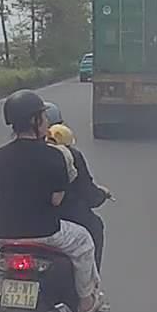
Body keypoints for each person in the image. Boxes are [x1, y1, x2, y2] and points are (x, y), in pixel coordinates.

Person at [0, 90, 104, 312]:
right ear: (35, 120)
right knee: (84, 242)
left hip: (3, 235)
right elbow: (56, 200)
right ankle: (86, 300)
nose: (47, 122)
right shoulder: (54, 156)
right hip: (46, 233)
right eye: (43, 116)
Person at [43, 103, 111, 272]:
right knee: (94, 226)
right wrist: (101, 194)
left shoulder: (7, 155)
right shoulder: (69, 155)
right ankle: (90, 284)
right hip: (61, 222)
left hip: (14, 228)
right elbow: (87, 193)